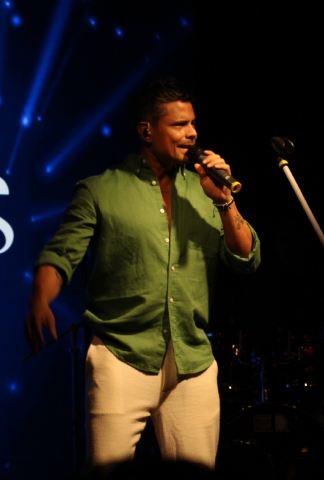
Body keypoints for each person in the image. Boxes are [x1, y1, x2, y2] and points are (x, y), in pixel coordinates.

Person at [24, 77, 261, 472]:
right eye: (179, 125)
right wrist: (40, 297)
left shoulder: (205, 190)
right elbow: (62, 254)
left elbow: (246, 258)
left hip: (193, 362)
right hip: (121, 356)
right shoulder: (100, 190)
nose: (192, 133)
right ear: (146, 131)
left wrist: (224, 201)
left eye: (193, 123)